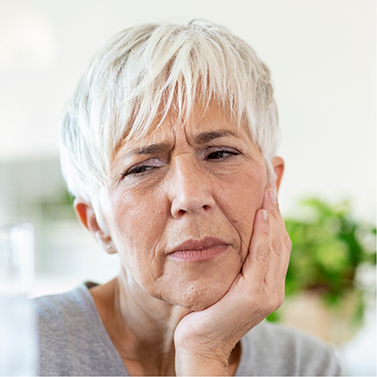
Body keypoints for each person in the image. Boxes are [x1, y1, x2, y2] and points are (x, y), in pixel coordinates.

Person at [36, 20, 342, 376]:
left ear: (272, 184)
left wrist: (203, 352)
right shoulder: (20, 349)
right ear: (96, 224)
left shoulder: (306, 366)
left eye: (220, 154)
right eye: (142, 168)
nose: (190, 197)